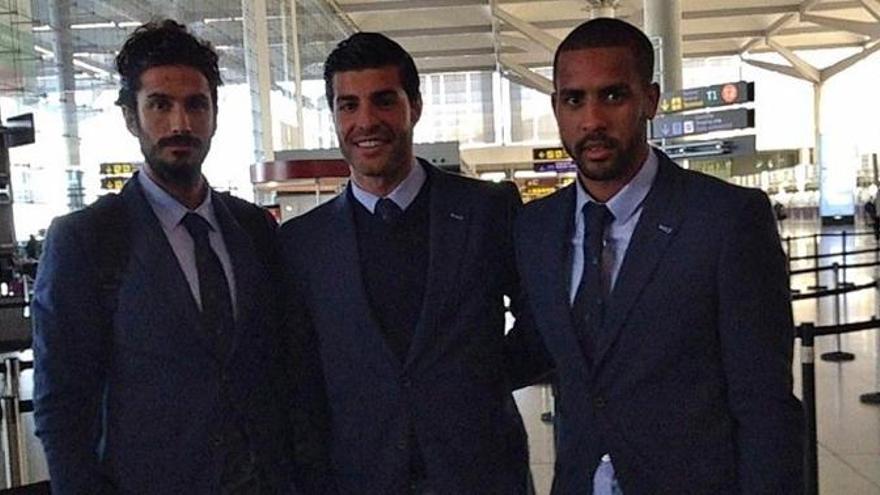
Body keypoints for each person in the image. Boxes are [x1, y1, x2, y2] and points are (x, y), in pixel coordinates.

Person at [514, 18, 804, 494]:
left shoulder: (726, 220)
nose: (592, 121)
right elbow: (538, 346)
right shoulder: (536, 227)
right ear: (556, 107)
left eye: (613, 96)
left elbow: (765, 405)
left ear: (650, 99)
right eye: (574, 99)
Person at [33, 20, 291, 493]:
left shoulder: (253, 230)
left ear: (214, 113)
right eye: (159, 105)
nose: (180, 124)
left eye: (196, 104)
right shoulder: (87, 240)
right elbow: (62, 408)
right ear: (131, 118)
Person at [278, 32, 533, 494]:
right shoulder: (302, 244)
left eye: (383, 101)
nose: (366, 121)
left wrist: (477, 382)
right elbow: (301, 382)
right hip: (360, 476)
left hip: (480, 472)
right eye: (348, 105)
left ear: (414, 106)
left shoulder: (488, 210)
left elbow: (540, 323)